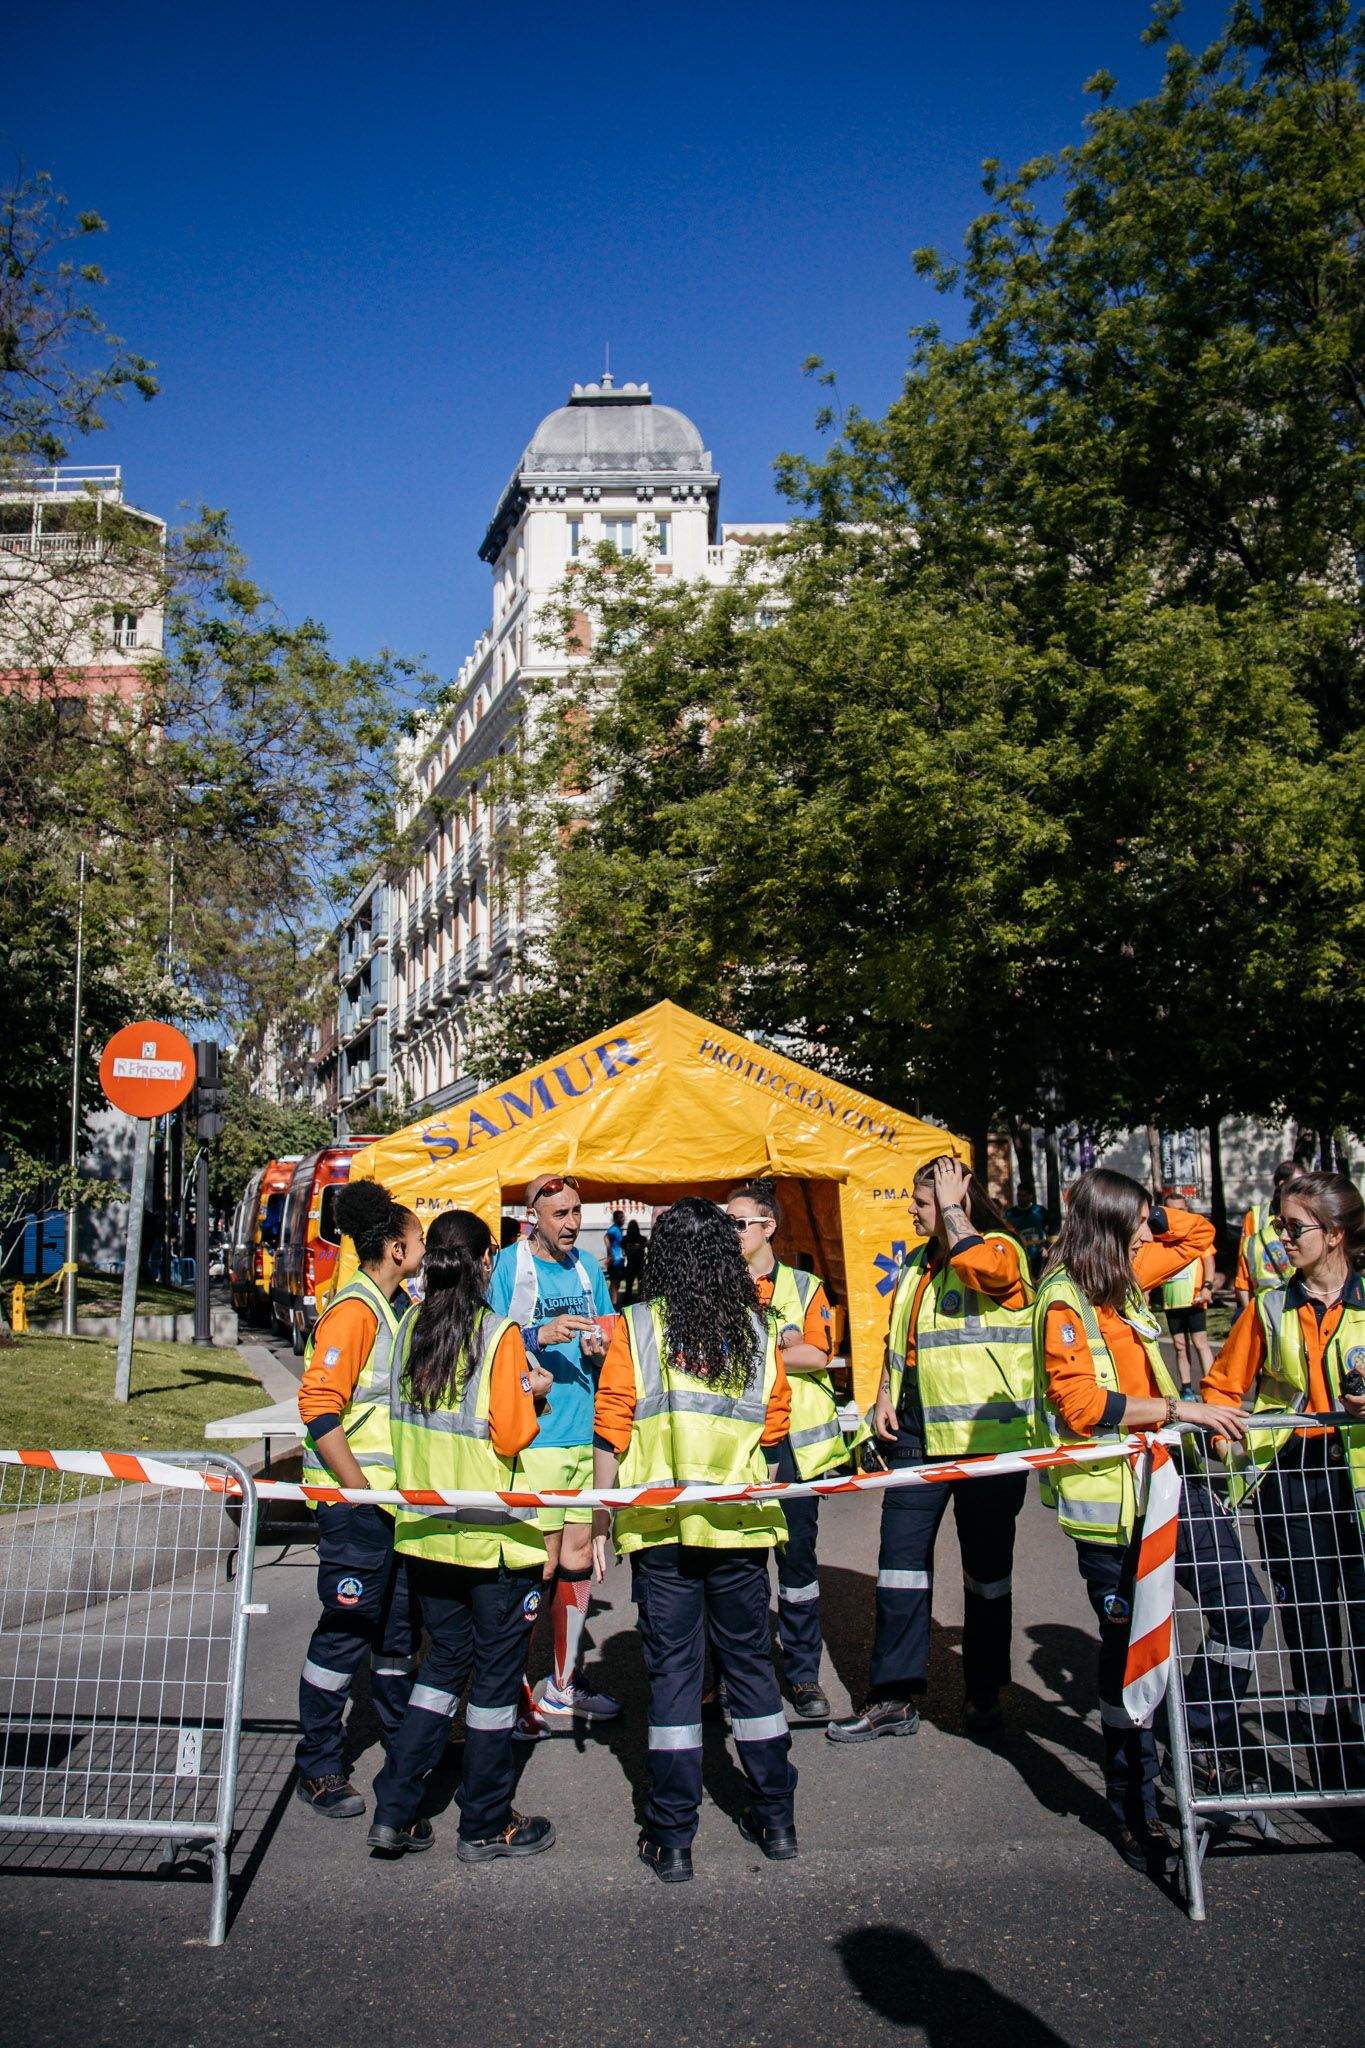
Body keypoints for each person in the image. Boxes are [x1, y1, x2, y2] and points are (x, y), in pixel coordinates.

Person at [1036, 1168, 1268, 1873]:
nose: (1150, 1230)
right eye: (1137, 1220)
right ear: (1107, 1227)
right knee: (1132, 1664)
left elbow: (1198, 1237)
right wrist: (1181, 1410)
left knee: (1242, 1606)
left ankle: (1190, 1741)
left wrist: (1156, 1215)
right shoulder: (1063, 1298)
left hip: (1170, 1486)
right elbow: (1080, 1407)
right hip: (1114, 1511)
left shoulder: (1126, 1270)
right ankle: (1132, 1806)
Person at [592, 1198, 798, 1883]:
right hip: (738, 1527)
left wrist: (599, 1520)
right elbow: (772, 1438)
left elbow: (611, 1431)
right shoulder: (759, 1330)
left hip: (660, 1531)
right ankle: (775, 1819)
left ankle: (672, 1835)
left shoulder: (637, 1328)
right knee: (749, 1670)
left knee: (674, 1678)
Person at [368, 1209, 559, 1859]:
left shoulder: (406, 1330)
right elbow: (510, 1433)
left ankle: (395, 1808)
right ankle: (484, 1821)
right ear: (484, 1263)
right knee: (495, 1688)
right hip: (494, 1539)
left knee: (440, 1672)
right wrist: (532, 1392)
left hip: (425, 1537)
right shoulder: (497, 1333)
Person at [829, 1155, 1036, 1745]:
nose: (912, 1213)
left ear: (953, 1200)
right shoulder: (919, 1263)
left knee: (987, 1575)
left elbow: (988, 1273)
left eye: (921, 1203)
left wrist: (952, 1209)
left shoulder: (1000, 1248)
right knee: (898, 1567)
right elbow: (902, 1340)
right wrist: (882, 1396)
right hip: (916, 1436)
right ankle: (892, 1696)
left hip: (985, 1442)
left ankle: (984, 1692)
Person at [1200, 1170, 1365, 1784]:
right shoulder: (1271, 1308)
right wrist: (1224, 1435)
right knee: (1312, 1631)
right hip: (1294, 1483)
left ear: (1335, 1233)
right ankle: (1334, 1773)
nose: (1282, 1238)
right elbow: (1221, 1387)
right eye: (1279, 1226)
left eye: (1294, 1228)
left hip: (1359, 1477)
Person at [294, 1180, 425, 1817]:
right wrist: (359, 1491)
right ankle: (319, 1764)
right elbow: (320, 1409)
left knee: (398, 1637)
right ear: (397, 1248)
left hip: (394, 1506)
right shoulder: (356, 1310)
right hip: (358, 1509)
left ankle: (405, 1754)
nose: (424, 1245)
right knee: (345, 1635)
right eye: (419, 1237)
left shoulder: (397, 1306)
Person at [488, 1172, 620, 1733]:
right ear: (533, 1218)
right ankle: (512, 1693)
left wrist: (598, 1345)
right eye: (561, 1214)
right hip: (535, 1436)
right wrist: (541, 1334)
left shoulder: (590, 1269)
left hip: (583, 1434)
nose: (572, 1224)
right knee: (534, 1565)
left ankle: (563, 1685)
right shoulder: (512, 1267)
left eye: (576, 1212)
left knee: (578, 1558)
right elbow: (490, 1341)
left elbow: (609, 1337)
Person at [726, 1179, 845, 1724]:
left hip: (794, 1446)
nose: (730, 1232)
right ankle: (742, 1677)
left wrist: (753, 1349)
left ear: (767, 1227)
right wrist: (778, 1347)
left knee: (797, 1567)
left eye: (738, 1222)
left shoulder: (805, 1285)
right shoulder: (717, 1285)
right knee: (742, 1569)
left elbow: (819, 1354)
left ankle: (802, 1675)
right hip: (738, 1446)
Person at [1153, 1190, 1216, 1395]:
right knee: (1179, 1346)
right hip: (1172, 1301)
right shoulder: (1160, 1238)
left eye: (1181, 1210)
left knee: (1200, 1342)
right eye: (1172, 1211)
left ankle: (1211, 1386)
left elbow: (1208, 1259)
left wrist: (1208, 1286)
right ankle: (1186, 1389)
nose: (1177, 1214)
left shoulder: (1195, 1233)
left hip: (1195, 1298)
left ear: (1187, 1210)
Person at [1235, 1159, 1301, 1309]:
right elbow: (1243, 1266)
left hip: (1298, 1296)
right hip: (1263, 1301)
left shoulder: (1304, 1214)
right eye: (1298, 1182)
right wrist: (1247, 1310)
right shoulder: (1256, 1216)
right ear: (1282, 1184)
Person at [621, 1218, 647, 1305]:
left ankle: (626, 1302)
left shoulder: (625, 1240)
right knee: (641, 1285)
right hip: (640, 1264)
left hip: (631, 1264)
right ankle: (642, 1300)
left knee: (628, 1285)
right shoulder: (642, 1239)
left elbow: (623, 1250)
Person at [605, 1208, 627, 1307]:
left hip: (619, 1261)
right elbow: (606, 1238)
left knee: (616, 1283)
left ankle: (612, 1302)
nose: (624, 1219)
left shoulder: (618, 1229)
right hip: (615, 1261)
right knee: (614, 1282)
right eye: (622, 1218)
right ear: (616, 1218)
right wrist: (610, 1254)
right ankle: (614, 1304)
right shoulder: (613, 1229)